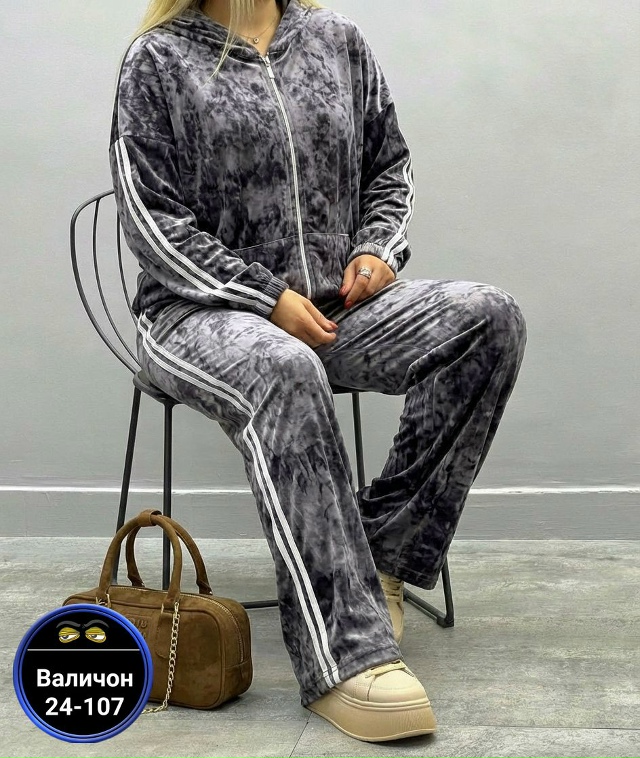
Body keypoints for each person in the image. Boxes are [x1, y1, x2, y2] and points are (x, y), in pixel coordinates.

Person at [110, 0, 527, 743]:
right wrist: (266, 297)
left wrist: (376, 250)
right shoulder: (158, 60)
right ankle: (346, 654)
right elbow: (151, 222)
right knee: (284, 366)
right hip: (195, 313)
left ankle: (381, 556)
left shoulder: (338, 41)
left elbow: (388, 167)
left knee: (488, 319)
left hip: (337, 308)